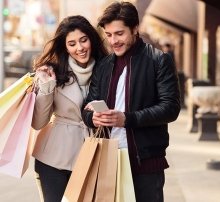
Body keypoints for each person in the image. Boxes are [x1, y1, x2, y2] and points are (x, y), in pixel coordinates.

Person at [81, 1, 181, 202]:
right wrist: (93, 118)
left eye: (119, 34)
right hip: (108, 160)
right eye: (108, 35)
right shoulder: (103, 65)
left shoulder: (159, 60)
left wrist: (127, 119)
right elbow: (87, 106)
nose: (113, 41)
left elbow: (170, 108)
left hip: (145, 162)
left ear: (135, 28)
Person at [31, 15, 107, 202]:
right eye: (72, 44)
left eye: (83, 40)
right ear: (65, 47)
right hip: (53, 157)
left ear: (92, 39)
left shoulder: (108, 68)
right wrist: (47, 86)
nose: (79, 48)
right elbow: (39, 122)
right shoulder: (53, 72)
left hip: (92, 155)